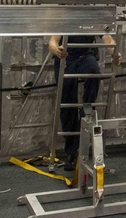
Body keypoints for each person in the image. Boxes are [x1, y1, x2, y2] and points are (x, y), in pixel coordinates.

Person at [48, 33, 120, 170]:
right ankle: (71, 153)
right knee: (66, 103)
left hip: (85, 56)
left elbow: (108, 39)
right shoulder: (65, 15)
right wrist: (56, 50)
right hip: (66, 59)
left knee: (93, 71)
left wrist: (115, 53)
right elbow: (52, 41)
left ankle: (86, 109)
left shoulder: (92, 14)